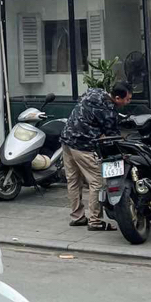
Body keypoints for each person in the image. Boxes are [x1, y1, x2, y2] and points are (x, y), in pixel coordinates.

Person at [62, 80, 133, 230]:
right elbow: (113, 136)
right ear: (117, 98)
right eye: (127, 99)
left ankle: (77, 217)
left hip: (67, 140)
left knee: (73, 181)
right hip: (83, 146)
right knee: (97, 182)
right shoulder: (108, 112)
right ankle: (95, 221)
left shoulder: (95, 92)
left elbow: (83, 103)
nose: (128, 102)